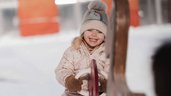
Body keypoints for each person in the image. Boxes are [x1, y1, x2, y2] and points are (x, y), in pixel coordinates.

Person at [55, 1, 109, 96]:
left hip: (100, 93)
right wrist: (69, 80)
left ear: (105, 36)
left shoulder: (108, 53)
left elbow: (112, 72)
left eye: (99, 31)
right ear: (83, 32)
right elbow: (62, 69)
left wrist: (107, 82)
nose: (94, 34)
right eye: (89, 30)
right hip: (74, 93)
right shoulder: (73, 51)